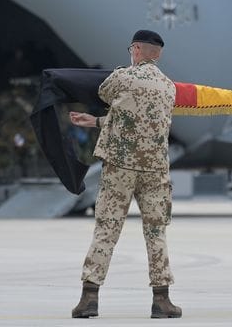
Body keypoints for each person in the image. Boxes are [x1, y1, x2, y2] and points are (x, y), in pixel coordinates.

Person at [69, 30, 181, 319]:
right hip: (154, 169)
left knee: (106, 229)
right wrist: (96, 122)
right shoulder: (169, 88)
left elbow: (106, 95)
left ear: (135, 50)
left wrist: (98, 114)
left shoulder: (122, 77)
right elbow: (137, 119)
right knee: (156, 232)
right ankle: (162, 300)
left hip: (120, 166)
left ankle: (89, 297)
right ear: (159, 54)